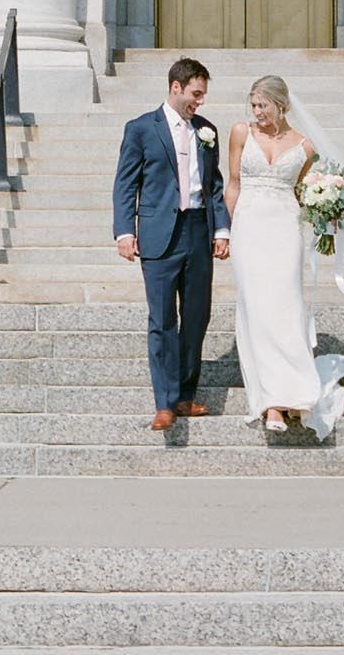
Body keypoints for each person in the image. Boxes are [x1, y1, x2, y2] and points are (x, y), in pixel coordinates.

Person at [226, 73, 344, 438]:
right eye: (253, 105)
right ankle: (272, 400)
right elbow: (234, 183)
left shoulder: (305, 147)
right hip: (249, 227)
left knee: (287, 306)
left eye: (264, 105)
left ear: (282, 105)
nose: (257, 112)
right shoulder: (241, 132)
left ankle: (292, 391)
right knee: (257, 308)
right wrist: (227, 230)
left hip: (285, 229)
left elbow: (303, 191)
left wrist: (330, 205)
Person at [112, 55, 231, 431]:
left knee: (196, 318)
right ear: (176, 88)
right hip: (159, 235)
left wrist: (221, 231)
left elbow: (214, 185)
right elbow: (125, 184)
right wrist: (124, 231)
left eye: (203, 95)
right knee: (162, 319)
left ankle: (184, 395)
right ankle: (163, 402)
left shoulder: (207, 130)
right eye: (196, 94)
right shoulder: (141, 129)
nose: (200, 101)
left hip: (198, 230)